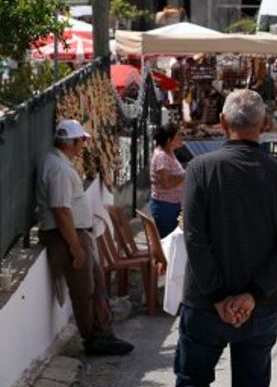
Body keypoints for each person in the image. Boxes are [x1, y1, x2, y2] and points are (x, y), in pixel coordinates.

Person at [175, 90, 277, 387]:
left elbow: (195, 238)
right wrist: (253, 295)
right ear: (265, 123)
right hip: (259, 308)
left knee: (193, 384)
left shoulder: (200, 169)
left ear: (222, 122)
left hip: (205, 304)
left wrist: (219, 296)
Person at [36, 119, 134, 356]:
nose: (83, 145)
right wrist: (75, 248)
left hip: (77, 235)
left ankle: (103, 333)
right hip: (68, 236)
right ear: (71, 142)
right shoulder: (58, 169)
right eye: (81, 140)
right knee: (83, 290)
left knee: (96, 284)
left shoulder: (59, 163)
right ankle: (93, 339)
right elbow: (61, 210)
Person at [149, 122, 185, 238]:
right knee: (169, 242)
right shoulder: (162, 157)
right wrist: (186, 176)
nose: (181, 138)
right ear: (170, 140)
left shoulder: (169, 153)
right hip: (165, 207)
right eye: (178, 135)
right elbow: (166, 183)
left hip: (172, 206)